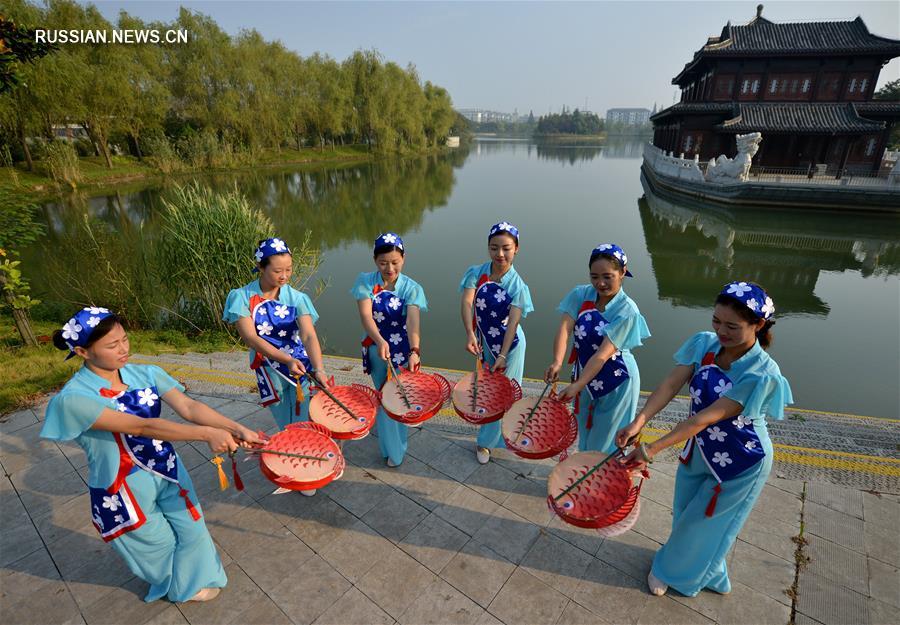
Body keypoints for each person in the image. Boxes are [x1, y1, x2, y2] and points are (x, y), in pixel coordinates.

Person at [40, 307, 263, 603]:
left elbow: (189, 407)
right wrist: (207, 434)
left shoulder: (145, 373)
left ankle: (196, 577)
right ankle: (182, 587)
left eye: (125, 339)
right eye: (111, 345)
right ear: (82, 351)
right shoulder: (74, 398)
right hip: (123, 486)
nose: (123, 349)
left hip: (167, 468)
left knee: (192, 527)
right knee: (157, 545)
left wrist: (236, 428)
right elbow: (142, 426)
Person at [617, 281, 792, 598]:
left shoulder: (762, 372)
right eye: (716, 321)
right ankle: (712, 573)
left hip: (740, 458)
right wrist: (639, 421)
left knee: (703, 522)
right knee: (685, 513)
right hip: (699, 447)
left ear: (759, 325)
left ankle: (671, 572)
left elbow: (705, 417)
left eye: (732, 326)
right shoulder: (703, 344)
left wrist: (651, 449)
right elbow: (671, 385)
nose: (721, 331)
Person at [546, 244, 650, 453]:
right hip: (585, 373)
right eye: (594, 277)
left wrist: (578, 385)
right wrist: (557, 361)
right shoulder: (581, 295)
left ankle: (594, 481)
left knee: (605, 441)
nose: (600, 283)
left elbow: (603, 355)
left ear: (622, 272)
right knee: (584, 430)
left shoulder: (627, 311)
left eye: (607, 276)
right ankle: (583, 475)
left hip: (616, 379)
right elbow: (565, 328)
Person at [223, 237, 328, 431]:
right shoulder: (242, 297)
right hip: (267, 365)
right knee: (282, 418)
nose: (284, 276)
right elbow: (250, 338)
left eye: (288, 269)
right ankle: (289, 447)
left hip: (299, 365)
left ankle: (297, 448)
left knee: (302, 416)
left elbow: (308, 336)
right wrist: (284, 359)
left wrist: (319, 368)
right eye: (278, 271)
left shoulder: (297, 298)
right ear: (261, 267)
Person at [460, 221, 533, 464]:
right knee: (488, 392)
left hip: (509, 347)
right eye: (494, 248)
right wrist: (470, 334)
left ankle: (485, 443)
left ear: (516, 249)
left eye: (506, 248)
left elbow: (512, 324)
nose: (500, 254)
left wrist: (502, 356)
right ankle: (492, 440)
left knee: (503, 395)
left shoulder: (518, 286)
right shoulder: (476, 273)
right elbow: (467, 303)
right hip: (485, 342)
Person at [351, 232, 427, 467]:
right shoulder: (365, 282)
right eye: (383, 263)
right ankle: (393, 450)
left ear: (403, 259)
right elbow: (366, 317)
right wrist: (380, 340)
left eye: (395, 262)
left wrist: (415, 350)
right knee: (385, 399)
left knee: (399, 398)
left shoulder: (412, 288)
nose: (390, 268)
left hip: (403, 350)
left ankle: (396, 444)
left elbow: (413, 322)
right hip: (377, 349)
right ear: (375, 260)